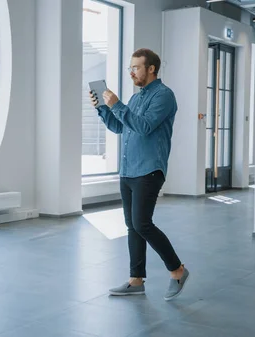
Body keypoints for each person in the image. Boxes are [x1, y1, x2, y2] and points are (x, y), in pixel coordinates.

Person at [89, 48, 189, 301]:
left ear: (151, 69)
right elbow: (119, 127)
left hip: (149, 169)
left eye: (136, 67)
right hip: (129, 170)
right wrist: (102, 109)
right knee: (132, 226)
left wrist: (117, 104)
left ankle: (177, 270)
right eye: (130, 68)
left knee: (142, 223)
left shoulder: (164, 96)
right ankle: (136, 280)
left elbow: (143, 127)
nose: (132, 72)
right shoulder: (135, 99)